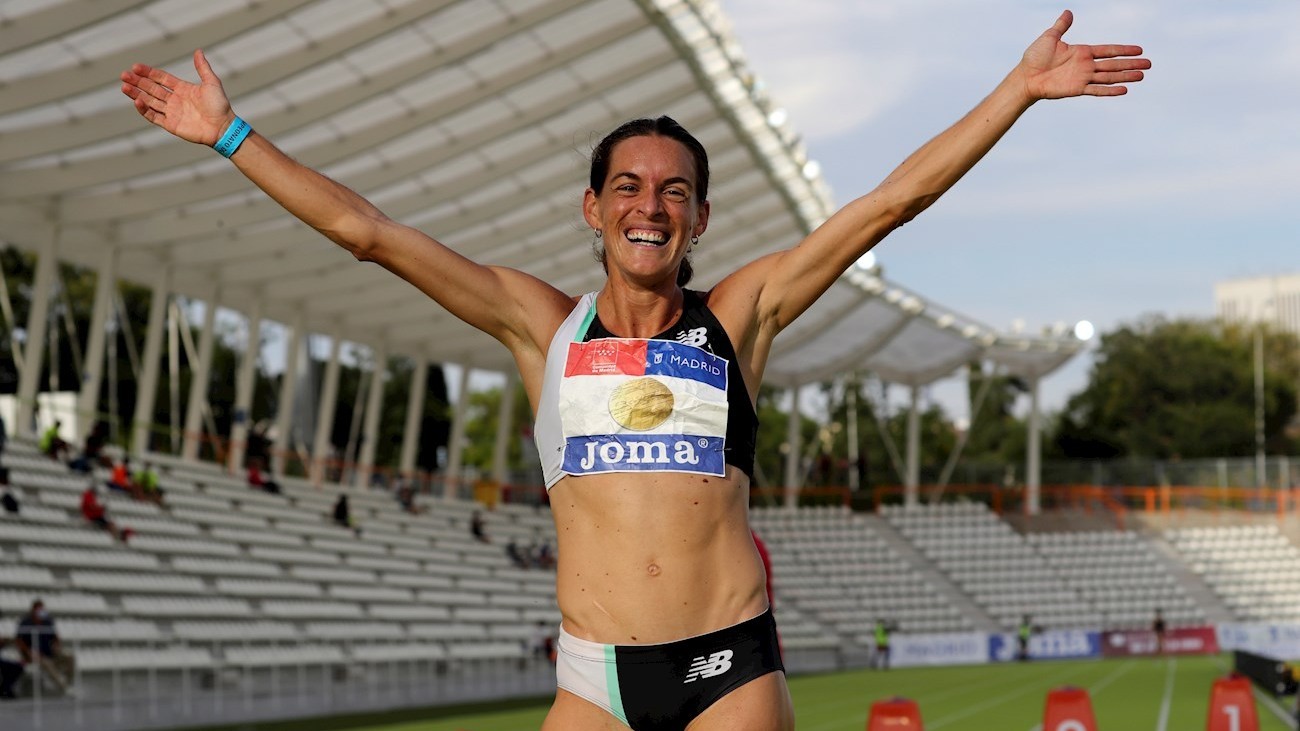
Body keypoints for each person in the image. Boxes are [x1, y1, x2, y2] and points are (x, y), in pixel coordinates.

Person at [121, 14, 1148, 728]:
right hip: (592, 679)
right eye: (626, 186)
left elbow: (883, 207)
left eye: (672, 190)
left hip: (726, 667)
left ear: (698, 216)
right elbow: (369, 233)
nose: (647, 205)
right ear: (592, 207)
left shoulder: (741, 315)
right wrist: (231, 135)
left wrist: (1015, 89)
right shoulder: (537, 324)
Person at [14, 600, 75, 695]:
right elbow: (19, 640)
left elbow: (55, 637)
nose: (41, 611)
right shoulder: (25, 622)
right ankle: (63, 687)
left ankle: (68, 683)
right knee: (47, 663)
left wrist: (56, 646)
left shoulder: (48, 621)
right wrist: (28, 652)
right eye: (39, 609)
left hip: (49, 651)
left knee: (70, 657)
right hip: (35, 655)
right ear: (33, 610)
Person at [0, 609, 25, 700]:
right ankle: (5, 690)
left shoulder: (3, 625)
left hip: (3, 656)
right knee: (9, 667)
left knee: (17, 666)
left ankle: (5, 689)